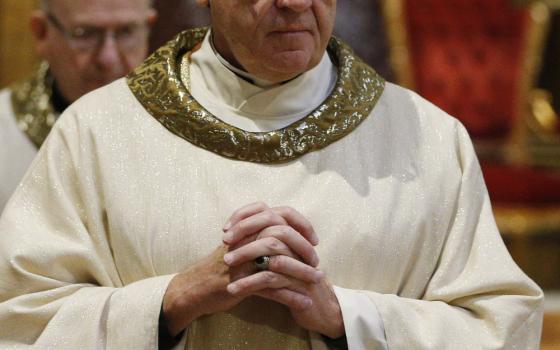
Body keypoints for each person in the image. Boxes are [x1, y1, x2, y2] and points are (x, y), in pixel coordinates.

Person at [0, 0, 543, 349]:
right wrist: (169, 304)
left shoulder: (428, 139)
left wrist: (347, 319)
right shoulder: (97, 133)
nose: (293, 2)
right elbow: (18, 322)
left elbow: (503, 328)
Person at [0, 0, 157, 212]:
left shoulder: (181, 130)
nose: (108, 58)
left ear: (148, 26)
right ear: (41, 32)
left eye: (126, 32)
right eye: (85, 34)